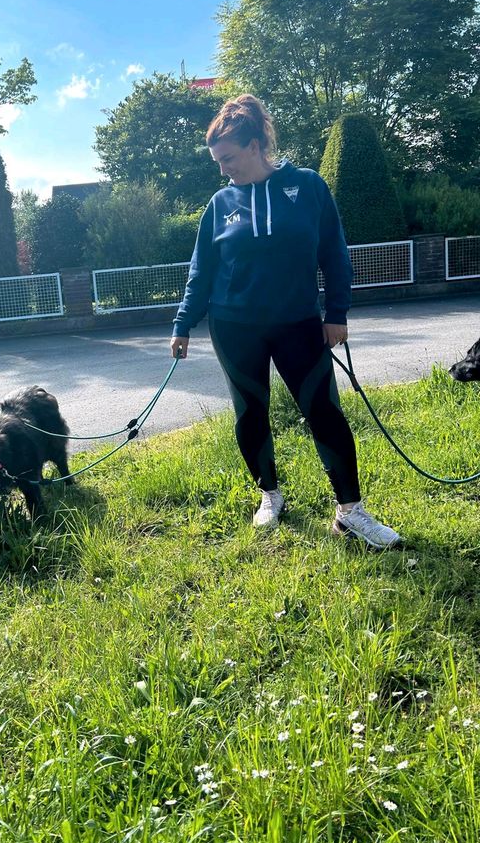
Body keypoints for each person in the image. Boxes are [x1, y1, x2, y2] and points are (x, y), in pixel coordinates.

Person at [170, 94, 400, 550]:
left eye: (229, 158)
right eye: (218, 161)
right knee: (250, 413)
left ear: (256, 145)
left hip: (299, 324)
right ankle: (269, 494)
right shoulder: (220, 204)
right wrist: (182, 324)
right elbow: (203, 270)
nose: (223, 169)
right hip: (235, 328)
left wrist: (336, 313)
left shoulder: (308, 187)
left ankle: (350, 511)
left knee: (325, 410)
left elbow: (334, 252)